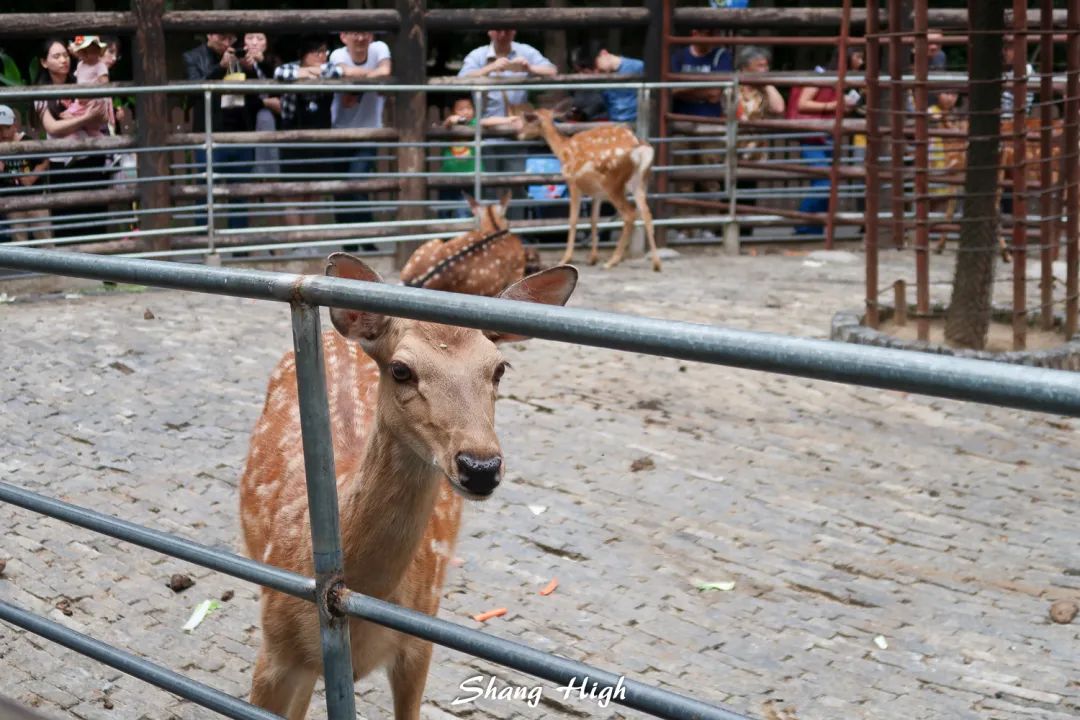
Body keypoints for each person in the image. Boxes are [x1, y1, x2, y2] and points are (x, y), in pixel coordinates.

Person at [34, 37, 112, 238]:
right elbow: (53, 127)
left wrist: (95, 115)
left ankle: (98, 266)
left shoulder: (81, 82)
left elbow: (98, 122)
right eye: (56, 56)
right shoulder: (40, 93)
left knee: (95, 219)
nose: (63, 60)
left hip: (91, 158)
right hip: (63, 164)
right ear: (44, 62)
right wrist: (86, 117)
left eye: (65, 55)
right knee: (67, 221)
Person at [183, 32, 261, 230]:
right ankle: (201, 241)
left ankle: (239, 246)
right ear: (209, 35)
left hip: (240, 132)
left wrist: (250, 70)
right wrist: (220, 68)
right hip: (209, 134)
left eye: (231, 39)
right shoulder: (193, 57)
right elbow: (192, 91)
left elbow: (256, 98)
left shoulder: (240, 56)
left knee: (239, 193)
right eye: (222, 38)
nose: (227, 43)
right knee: (206, 191)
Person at [791, 48, 863, 235]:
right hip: (813, 136)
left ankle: (812, 229)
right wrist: (834, 105)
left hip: (825, 136)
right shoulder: (821, 76)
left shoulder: (837, 80)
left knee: (829, 183)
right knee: (825, 184)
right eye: (858, 56)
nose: (861, 62)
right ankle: (801, 221)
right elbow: (803, 104)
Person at [274, 35, 343, 229]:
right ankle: (295, 241)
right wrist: (307, 73)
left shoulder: (327, 68)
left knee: (314, 193)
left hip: (320, 140)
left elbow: (337, 72)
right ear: (303, 54)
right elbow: (280, 73)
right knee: (292, 192)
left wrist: (313, 71)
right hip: (292, 139)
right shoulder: (289, 67)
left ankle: (309, 241)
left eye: (324, 52)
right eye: (317, 52)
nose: (322, 56)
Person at [328, 30, 392, 233]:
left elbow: (386, 70)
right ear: (343, 37)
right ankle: (349, 238)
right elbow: (344, 71)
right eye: (354, 33)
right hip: (339, 131)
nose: (360, 38)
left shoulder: (380, 48)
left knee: (357, 183)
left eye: (365, 33)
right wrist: (373, 78)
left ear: (372, 36)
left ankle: (365, 233)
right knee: (340, 189)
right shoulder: (337, 54)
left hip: (369, 131)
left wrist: (359, 80)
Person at [733, 46, 785, 237]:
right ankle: (723, 228)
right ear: (746, 68)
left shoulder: (763, 89)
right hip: (732, 145)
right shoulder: (733, 86)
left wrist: (768, 83)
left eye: (766, 66)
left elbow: (779, 108)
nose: (765, 69)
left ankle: (745, 232)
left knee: (748, 189)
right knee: (727, 187)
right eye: (760, 66)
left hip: (754, 148)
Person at [458, 29, 556, 121]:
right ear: (490, 31)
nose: (503, 35)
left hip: (521, 124)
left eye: (507, 30)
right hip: (488, 126)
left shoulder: (526, 51)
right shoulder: (477, 54)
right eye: (498, 30)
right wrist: (490, 68)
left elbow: (552, 70)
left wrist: (530, 68)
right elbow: (461, 79)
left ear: (514, 31)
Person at [0, 105, 51, 243]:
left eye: (6, 127)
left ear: (15, 126)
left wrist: (32, 177)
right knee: (19, 239)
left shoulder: (27, 142)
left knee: (44, 237)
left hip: (35, 198)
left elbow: (45, 161)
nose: (2, 133)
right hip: (13, 201)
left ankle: (49, 263)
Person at [569, 41, 644, 123]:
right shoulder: (601, 77)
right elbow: (601, 102)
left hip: (638, 124)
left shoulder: (639, 67)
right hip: (614, 126)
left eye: (594, 66)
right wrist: (584, 114)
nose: (596, 72)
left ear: (604, 53)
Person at [669, 28, 732, 118]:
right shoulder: (679, 56)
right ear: (695, 33)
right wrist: (705, 89)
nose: (714, 38)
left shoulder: (722, 56)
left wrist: (682, 89)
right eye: (708, 34)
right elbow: (671, 90)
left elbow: (715, 93)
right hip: (680, 120)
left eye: (715, 34)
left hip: (710, 120)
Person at [68, 35, 113, 138]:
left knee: (71, 117)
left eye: (94, 51)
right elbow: (79, 80)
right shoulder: (80, 65)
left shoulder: (100, 65)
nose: (90, 54)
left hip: (94, 101)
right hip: (80, 101)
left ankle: (109, 148)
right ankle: (105, 146)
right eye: (86, 51)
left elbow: (105, 85)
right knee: (89, 130)